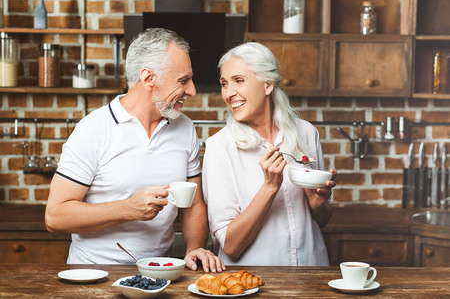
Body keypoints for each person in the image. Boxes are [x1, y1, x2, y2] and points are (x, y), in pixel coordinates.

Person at [45, 28, 225, 273]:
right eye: (183, 80)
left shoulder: (185, 128)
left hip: (158, 274)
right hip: (94, 275)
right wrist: (128, 208)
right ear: (148, 78)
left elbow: (193, 204)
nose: (192, 90)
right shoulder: (94, 129)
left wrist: (194, 246)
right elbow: (55, 216)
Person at [202, 42, 337, 266]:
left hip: (310, 274)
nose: (228, 93)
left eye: (239, 80)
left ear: (267, 85)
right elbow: (231, 246)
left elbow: (322, 221)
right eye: (224, 84)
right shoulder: (220, 147)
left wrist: (318, 204)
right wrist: (269, 187)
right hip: (252, 282)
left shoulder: (306, 133)